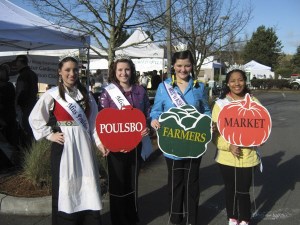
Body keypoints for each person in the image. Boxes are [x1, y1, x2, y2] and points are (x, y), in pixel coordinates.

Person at [29, 57, 103, 225]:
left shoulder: (86, 95)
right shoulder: (52, 94)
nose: (72, 73)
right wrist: (49, 134)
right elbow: (35, 118)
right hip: (64, 147)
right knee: (66, 184)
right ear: (60, 72)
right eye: (68, 70)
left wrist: (99, 142)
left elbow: (94, 123)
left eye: (75, 70)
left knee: (87, 181)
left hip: (84, 146)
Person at [150, 49, 211, 225]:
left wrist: (208, 122)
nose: (183, 69)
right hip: (172, 145)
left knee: (192, 183)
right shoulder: (164, 87)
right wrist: (154, 119)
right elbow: (156, 110)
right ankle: (175, 219)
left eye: (187, 65)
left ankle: (192, 219)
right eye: (179, 66)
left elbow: (205, 110)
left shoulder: (199, 87)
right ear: (173, 67)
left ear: (192, 66)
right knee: (175, 184)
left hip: (194, 144)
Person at [98, 56, 151, 225]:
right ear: (114, 71)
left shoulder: (140, 91)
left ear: (132, 71)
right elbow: (101, 119)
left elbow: (146, 115)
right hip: (115, 148)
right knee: (117, 185)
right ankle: (118, 219)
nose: (124, 73)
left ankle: (132, 217)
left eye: (127, 69)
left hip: (136, 145)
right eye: (120, 70)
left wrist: (147, 128)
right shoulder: (108, 92)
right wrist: (109, 142)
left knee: (132, 183)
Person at [211, 68, 261, 225]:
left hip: (248, 156)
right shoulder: (220, 104)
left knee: (243, 190)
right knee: (230, 190)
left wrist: (260, 139)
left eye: (240, 80)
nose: (236, 83)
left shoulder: (254, 102)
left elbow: (262, 126)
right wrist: (228, 146)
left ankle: (245, 219)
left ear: (245, 81)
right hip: (226, 157)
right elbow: (215, 134)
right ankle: (232, 218)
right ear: (227, 83)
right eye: (232, 81)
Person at [14, 55, 38, 147]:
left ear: (21, 62)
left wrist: (16, 105)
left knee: (25, 131)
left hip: (24, 108)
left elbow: (20, 92)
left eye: (17, 62)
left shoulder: (23, 75)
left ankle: (27, 153)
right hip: (32, 106)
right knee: (30, 130)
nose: (16, 64)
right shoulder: (32, 74)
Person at [0, 66, 18, 171]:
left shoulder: (10, 86)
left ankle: (11, 163)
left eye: (3, 72)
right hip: (2, 118)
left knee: (10, 141)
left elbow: (13, 101)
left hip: (10, 117)